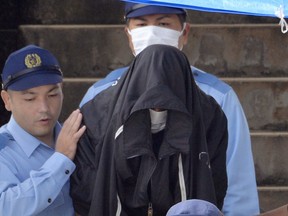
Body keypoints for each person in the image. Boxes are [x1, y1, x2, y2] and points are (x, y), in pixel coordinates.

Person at [79, 3, 260, 215]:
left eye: (163, 23)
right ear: (128, 34)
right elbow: (88, 178)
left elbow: (236, 184)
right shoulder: (99, 96)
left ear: (185, 32)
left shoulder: (217, 97)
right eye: (142, 24)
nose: (152, 32)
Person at [71, 44, 228, 215]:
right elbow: (87, 189)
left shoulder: (209, 116)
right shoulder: (97, 116)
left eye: (168, 105)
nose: (158, 110)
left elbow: (214, 182)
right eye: (151, 105)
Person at [0, 44, 86, 215]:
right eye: (30, 98)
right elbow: (5, 208)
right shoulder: (3, 150)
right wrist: (60, 160)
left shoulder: (81, 138)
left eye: (53, 95)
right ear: (7, 100)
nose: (44, 108)